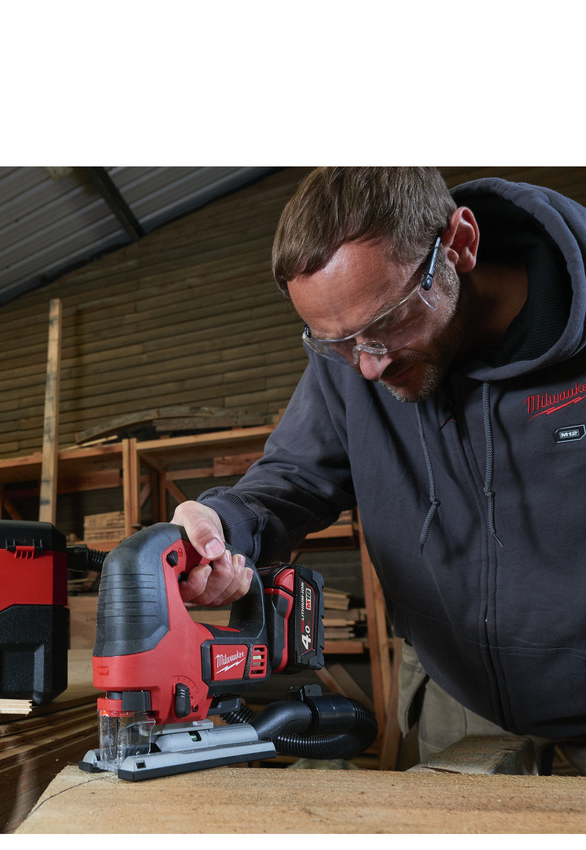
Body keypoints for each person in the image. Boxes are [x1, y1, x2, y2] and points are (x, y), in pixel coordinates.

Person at [171, 167, 586, 772]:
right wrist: (221, 526)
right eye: (335, 343)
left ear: (461, 244)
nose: (368, 367)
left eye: (387, 322)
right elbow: (293, 479)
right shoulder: (358, 352)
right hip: (462, 699)